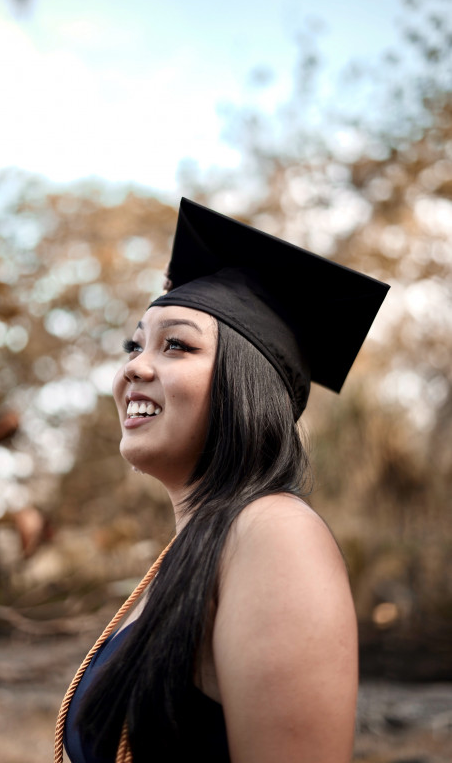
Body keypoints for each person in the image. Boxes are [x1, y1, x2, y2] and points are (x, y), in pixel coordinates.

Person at [55, 198, 390, 763]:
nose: (134, 366)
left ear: (246, 387)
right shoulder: (188, 551)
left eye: (176, 345)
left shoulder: (274, 535)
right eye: (134, 345)